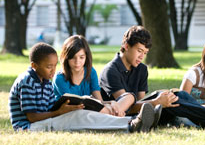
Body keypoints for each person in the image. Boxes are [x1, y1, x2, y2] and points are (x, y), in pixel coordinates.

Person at [100, 26, 205, 130]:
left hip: (146, 112)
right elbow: (126, 108)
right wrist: (157, 102)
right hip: (128, 117)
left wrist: (158, 101)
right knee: (172, 99)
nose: (142, 56)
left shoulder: (141, 69)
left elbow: (140, 101)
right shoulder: (111, 71)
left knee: (177, 95)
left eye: (145, 53)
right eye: (139, 51)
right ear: (126, 46)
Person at [8, 42, 156, 133]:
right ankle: (130, 124)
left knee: (81, 115)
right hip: (28, 127)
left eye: (54, 66)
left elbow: (47, 108)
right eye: (49, 67)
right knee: (80, 117)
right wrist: (60, 112)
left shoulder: (45, 80)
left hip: (43, 120)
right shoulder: (27, 81)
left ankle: (133, 122)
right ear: (34, 66)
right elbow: (32, 117)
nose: (53, 71)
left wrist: (61, 108)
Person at [53, 35, 129, 116]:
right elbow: (73, 106)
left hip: (88, 111)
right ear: (66, 58)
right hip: (69, 114)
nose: (77, 62)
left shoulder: (91, 72)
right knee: (105, 112)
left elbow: (99, 101)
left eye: (81, 57)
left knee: (128, 97)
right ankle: (119, 119)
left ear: (86, 57)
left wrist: (111, 102)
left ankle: (118, 118)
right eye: (72, 58)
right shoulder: (60, 78)